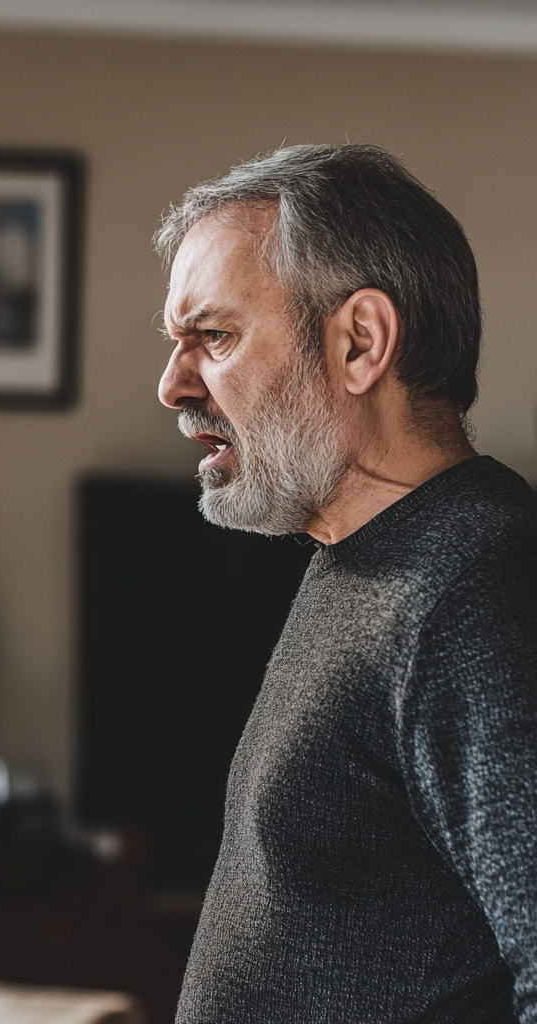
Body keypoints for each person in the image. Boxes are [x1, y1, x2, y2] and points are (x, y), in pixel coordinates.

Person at [156, 144, 537, 1023]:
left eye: (211, 337)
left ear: (360, 341)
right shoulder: (363, 552)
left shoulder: (475, 594)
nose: (173, 384)